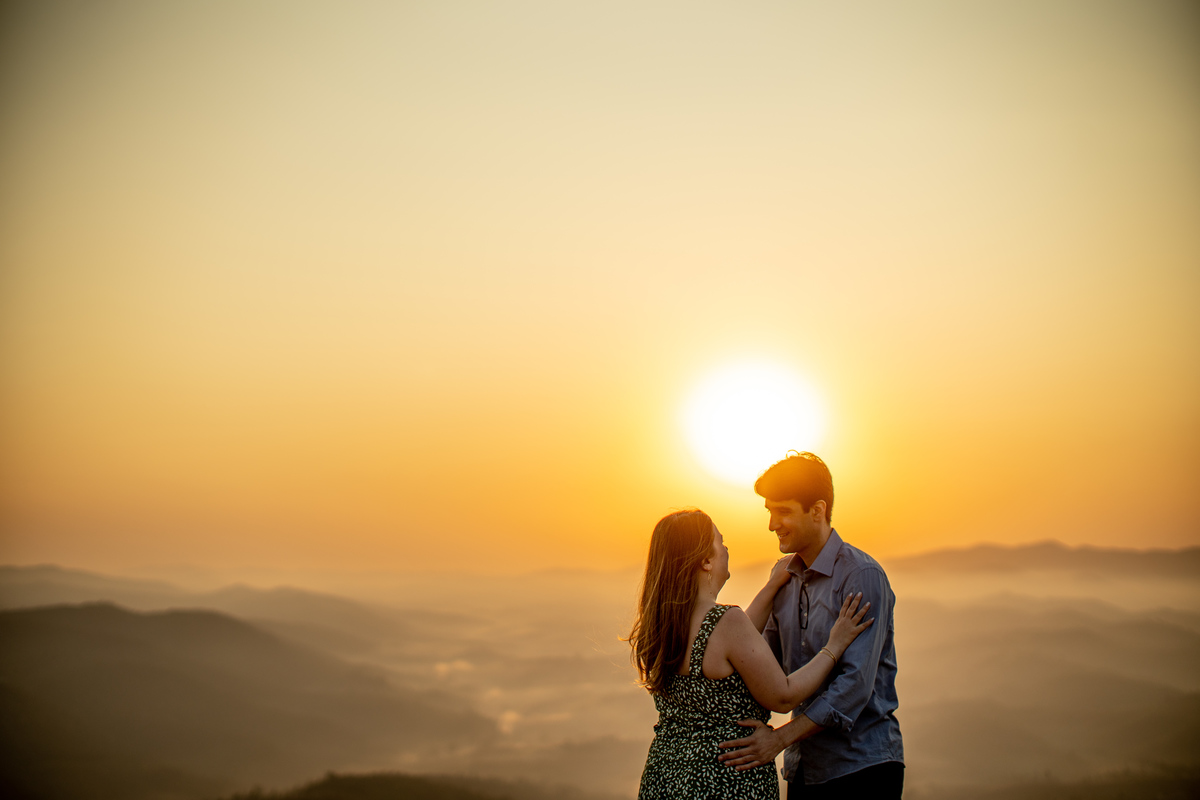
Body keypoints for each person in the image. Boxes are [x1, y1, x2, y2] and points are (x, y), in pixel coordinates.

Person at [629, 508, 873, 800]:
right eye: (720, 542)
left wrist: (771, 586)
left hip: (666, 776)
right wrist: (834, 646)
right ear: (706, 561)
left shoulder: (663, 625)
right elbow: (783, 696)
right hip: (723, 779)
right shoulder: (726, 622)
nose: (726, 548)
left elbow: (731, 643)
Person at [718, 452, 905, 799]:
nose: (772, 524)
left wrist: (778, 739)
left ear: (817, 511)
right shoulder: (784, 579)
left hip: (862, 769)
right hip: (803, 769)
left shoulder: (861, 576)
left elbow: (855, 687)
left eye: (783, 511)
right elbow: (762, 662)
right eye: (770, 512)